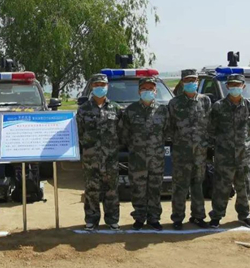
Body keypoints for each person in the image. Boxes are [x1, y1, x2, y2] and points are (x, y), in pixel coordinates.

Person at [208, 74, 250, 229]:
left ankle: (244, 215)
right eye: (232, 85)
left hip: (243, 154)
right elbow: (211, 128)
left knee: (243, 185)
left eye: (238, 85)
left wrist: (242, 141)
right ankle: (216, 216)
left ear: (243, 86)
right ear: (227, 87)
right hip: (224, 154)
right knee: (221, 186)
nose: (235, 88)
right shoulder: (218, 106)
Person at [76, 74, 123, 230]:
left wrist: (113, 148)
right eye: (96, 85)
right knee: (92, 190)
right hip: (91, 158)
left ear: (107, 87)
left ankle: (112, 219)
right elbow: (79, 132)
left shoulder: (116, 108)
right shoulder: (83, 110)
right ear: (92, 87)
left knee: (111, 190)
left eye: (102, 85)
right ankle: (91, 219)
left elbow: (122, 132)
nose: (100, 87)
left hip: (110, 158)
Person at [167, 69, 211, 230]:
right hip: (181, 152)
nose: (191, 83)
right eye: (187, 81)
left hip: (200, 152)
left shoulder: (205, 101)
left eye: (193, 80)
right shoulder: (174, 103)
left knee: (198, 185)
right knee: (180, 186)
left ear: (197, 82)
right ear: (182, 83)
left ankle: (198, 216)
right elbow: (170, 127)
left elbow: (209, 123)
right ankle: (177, 218)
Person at [122, 77, 169, 230]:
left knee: (155, 189)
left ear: (155, 91)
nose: (147, 91)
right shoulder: (131, 110)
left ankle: (154, 218)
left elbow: (167, 131)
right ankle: (139, 218)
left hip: (156, 159)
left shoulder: (163, 110)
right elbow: (124, 134)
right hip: (137, 159)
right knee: (138, 189)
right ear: (139, 91)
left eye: (151, 89)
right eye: (144, 89)